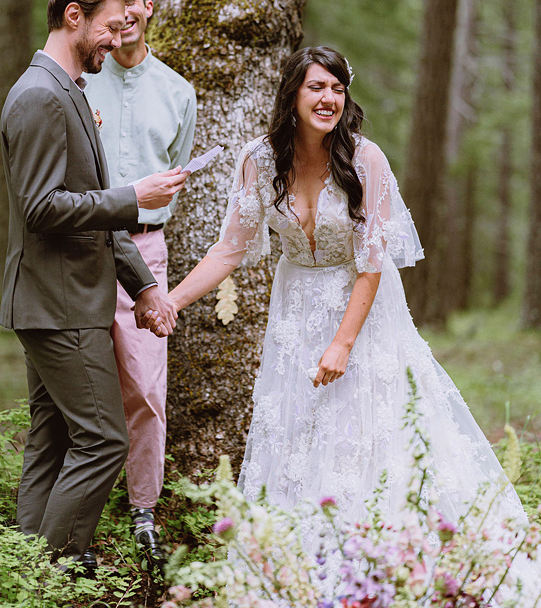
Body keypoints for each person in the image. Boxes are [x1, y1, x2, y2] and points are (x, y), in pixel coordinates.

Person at [161, 46, 538, 593]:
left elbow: (370, 264)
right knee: (298, 436)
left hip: (363, 311)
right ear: (292, 92)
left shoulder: (366, 160)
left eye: (337, 89)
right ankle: (304, 574)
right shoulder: (259, 160)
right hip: (294, 312)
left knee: (368, 433)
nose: (329, 99)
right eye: (317, 87)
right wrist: (172, 301)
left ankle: (379, 571)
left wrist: (341, 344)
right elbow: (231, 249)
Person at [0, 0, 187, 574]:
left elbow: (93, 211)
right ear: (73, 17)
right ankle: (55, 572)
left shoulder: (71, 91)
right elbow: (42, 208)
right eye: (109, 27)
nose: (117, 38)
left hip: (66, 298)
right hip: (60, 304)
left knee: (51, 443)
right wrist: (136, 197)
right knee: (105, 439)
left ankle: (27, 574)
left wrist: (145, 286)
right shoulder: (38, 96)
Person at [81, 0, 197, 566]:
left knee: (145, 383)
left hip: (145, 248)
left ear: (148, 9)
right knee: (80, 377)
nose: (123, 13)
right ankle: (77, 508)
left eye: (133, 0)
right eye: (112, 1)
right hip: (79, 244)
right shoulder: (78, 80)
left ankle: (144, 508)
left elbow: (176, 171)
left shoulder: (178, 92)